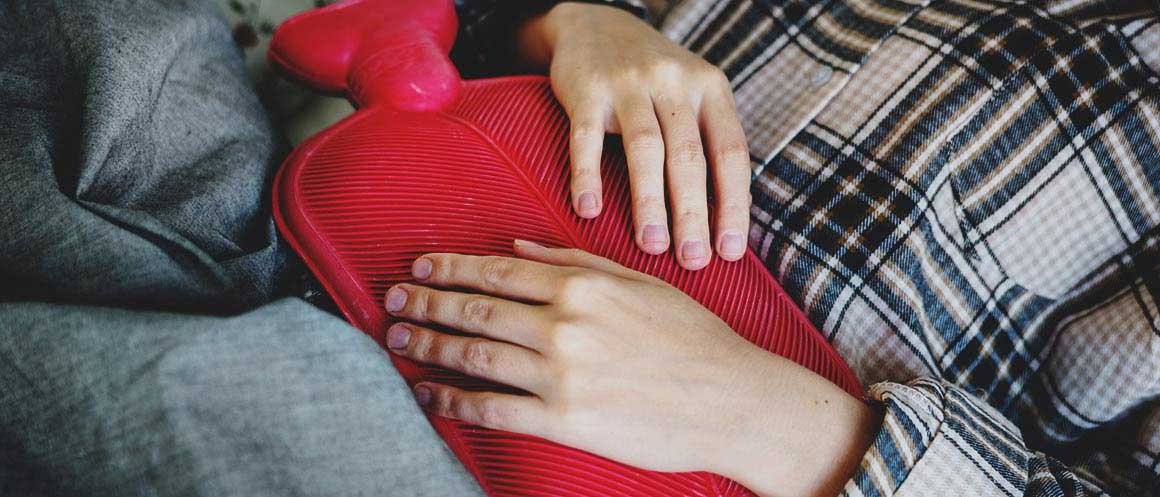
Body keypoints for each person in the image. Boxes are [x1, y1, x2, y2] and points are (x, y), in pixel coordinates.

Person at [1, 2, 1157, 497]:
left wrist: (778, 420)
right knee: (95, 32)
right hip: (369, 210)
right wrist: (578, 19)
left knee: (221, 391)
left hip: (560, 466)